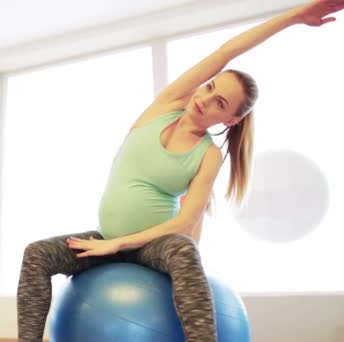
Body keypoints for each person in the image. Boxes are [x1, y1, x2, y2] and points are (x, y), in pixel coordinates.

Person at [17, 1, 344, 341]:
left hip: (151, 247)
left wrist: (117, 245)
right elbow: (227, 51)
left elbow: (183, 223)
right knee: (37, 254)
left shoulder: (208, 156)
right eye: (211, 87)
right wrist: (293, 17)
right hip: (105, 240)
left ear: (229, 120)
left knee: (184, 250)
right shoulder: (165, 105)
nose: (206, 98)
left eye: (220, 103)